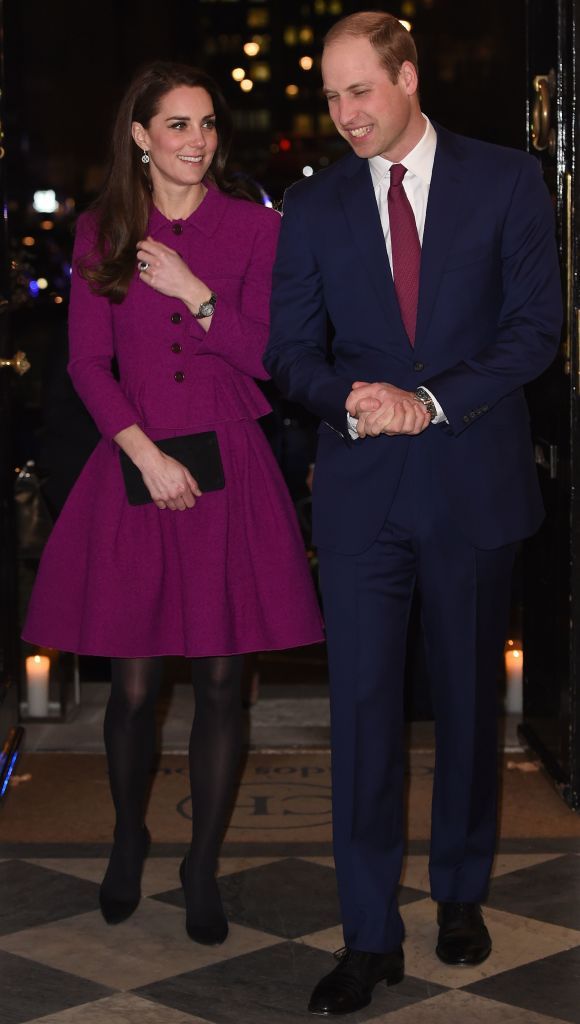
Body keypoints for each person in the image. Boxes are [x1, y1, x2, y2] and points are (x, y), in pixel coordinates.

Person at [264, 12, 562, 1016]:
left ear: (406, 76)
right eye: (331, 96)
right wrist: (346, 398)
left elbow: (536, 329)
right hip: (362, 492)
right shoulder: (312, 204)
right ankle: (368, 936)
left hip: (473, 482)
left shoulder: (508, 180)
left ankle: (460, 892)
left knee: (470, 706)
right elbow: (289, 350)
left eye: (360, 90)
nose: (345, 114)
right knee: (360, 717)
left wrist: (427, 401)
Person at [23, 60, 323, 944]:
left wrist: (195, 292)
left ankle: (201, 865)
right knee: (134, 683)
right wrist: (144, 454)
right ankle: (128, 836)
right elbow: (87, 364)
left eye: (207, 123)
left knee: (223, 681)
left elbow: (272, 358)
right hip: (137, 459)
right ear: (141, 135)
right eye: (178, 124)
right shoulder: (102, 228)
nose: (197, 140)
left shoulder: (256, 229)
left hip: (231, 457)